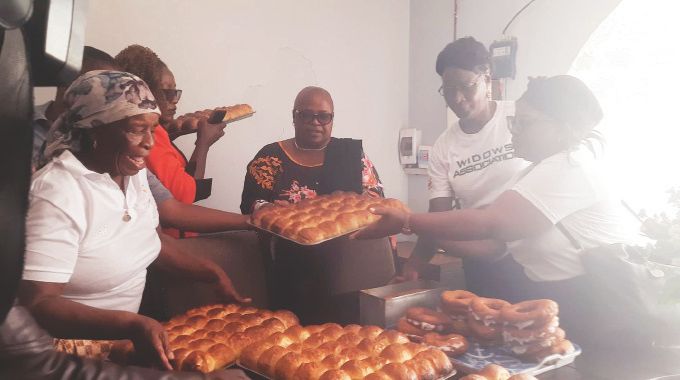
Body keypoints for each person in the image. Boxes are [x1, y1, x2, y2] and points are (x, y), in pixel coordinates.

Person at [354, 75, 643, 338]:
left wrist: (407, 221)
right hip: (556, 299)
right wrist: (418, 244)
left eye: (525, 123)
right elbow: (492, 245)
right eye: (513, 121)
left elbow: (491, 223)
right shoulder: (531, 173)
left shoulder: (571, 167)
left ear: (562, 128)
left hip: (595, 306)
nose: (514, 131)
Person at [19, 71, 249, 370]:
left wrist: (209, 272)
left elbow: (145, 241)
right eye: (136, 129)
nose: (149, 143)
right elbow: (38, 304)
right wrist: (129, 324)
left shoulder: (131, 173)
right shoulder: (58, 193)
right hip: (65, 356)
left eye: (153, 129)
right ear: (94, 131)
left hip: (120, 344)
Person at [240, 86, 393, 324]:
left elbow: (376, 197)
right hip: (290, 268)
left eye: (323, 116)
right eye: (306, 115)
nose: (315, 122)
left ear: (332, 120)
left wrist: (350, 209)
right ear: (294, 117)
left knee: (347, 336)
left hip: (348, 266)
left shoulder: (350, 154)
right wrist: (267, 209)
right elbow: (253, 202)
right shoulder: (271, 156)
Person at [397, 37, 529, 299]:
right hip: (483, 262)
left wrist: (407, 223)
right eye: (447, 89)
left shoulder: (519, 118)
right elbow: (439, 219)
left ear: (486, 78)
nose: (456, 98)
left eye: (465, 86)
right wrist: (414, 265)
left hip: (532, 259)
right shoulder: (444, 147)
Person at [115, 44, 228, 238]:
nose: (174, 100)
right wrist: (203, 144)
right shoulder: (153, 134)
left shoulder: (157, 132)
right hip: (171, 243)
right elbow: (184, 196)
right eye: (166, 92)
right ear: (145, 90)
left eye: (176, 92)